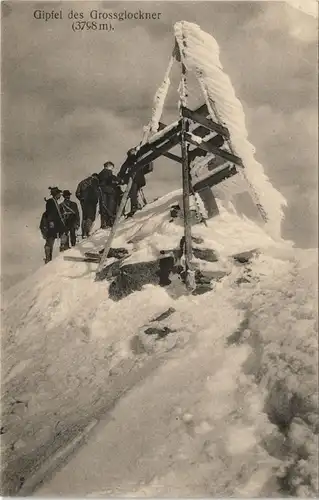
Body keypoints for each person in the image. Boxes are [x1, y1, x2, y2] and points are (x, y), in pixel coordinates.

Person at [118, 148, 153, 217]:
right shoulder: (132, 159)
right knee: (134, 193)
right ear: (130, 153)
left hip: (135, 179)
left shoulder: (132, 160)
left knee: (133, 193)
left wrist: (123, 178)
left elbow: (122, 172)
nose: (134, 152)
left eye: (134, 151)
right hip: (135, 179)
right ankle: (134, 206)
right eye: (133, 151)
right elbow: (145, 168)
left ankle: (135, 206)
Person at [40, 187, 67, 264]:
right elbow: (50, 213)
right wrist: (51, 223)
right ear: (56, 194)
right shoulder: (51, 202)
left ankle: (61, 250)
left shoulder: (54, 201)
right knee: (50, 240)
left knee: (61, 234)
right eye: (59, 194)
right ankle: (48, 258)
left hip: (55, 223)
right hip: (52, 224)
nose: (60, 196)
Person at [75, 174, 100, 238]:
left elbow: (77, 193)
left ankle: (84, 233)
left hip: (84, 202)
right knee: (90, 216)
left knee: (84, 217)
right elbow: (97, 192)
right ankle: (87, 232)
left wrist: (81, 199)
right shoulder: (95, 181)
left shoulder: (82, 182)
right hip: (91, 202)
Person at [97, 162, 119, 228]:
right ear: (108, 166)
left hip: (102, 191)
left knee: (104, 207)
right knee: (111, 206)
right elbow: (112, 178)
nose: (112, 169)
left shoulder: (100, 174)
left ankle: (104, 224)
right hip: (109, 191)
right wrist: (119, 180)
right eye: (112, 167)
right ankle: (110, 223)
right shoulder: (108, 172)